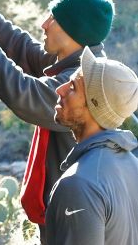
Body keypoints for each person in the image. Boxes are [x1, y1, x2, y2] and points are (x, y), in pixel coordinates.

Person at [0, 0, 115, 238]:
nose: (44, 24)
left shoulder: (81, 83)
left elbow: (23, 93)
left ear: (73, 31)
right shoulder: (75, 63)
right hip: (65, 210)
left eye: (53, 18)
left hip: (75, 216)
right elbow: (24, 49)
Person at [47, 47, 138, 245]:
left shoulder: (78, 185)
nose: (59, 89)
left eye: (73, 87)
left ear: (95, 106)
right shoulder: (133, 166)